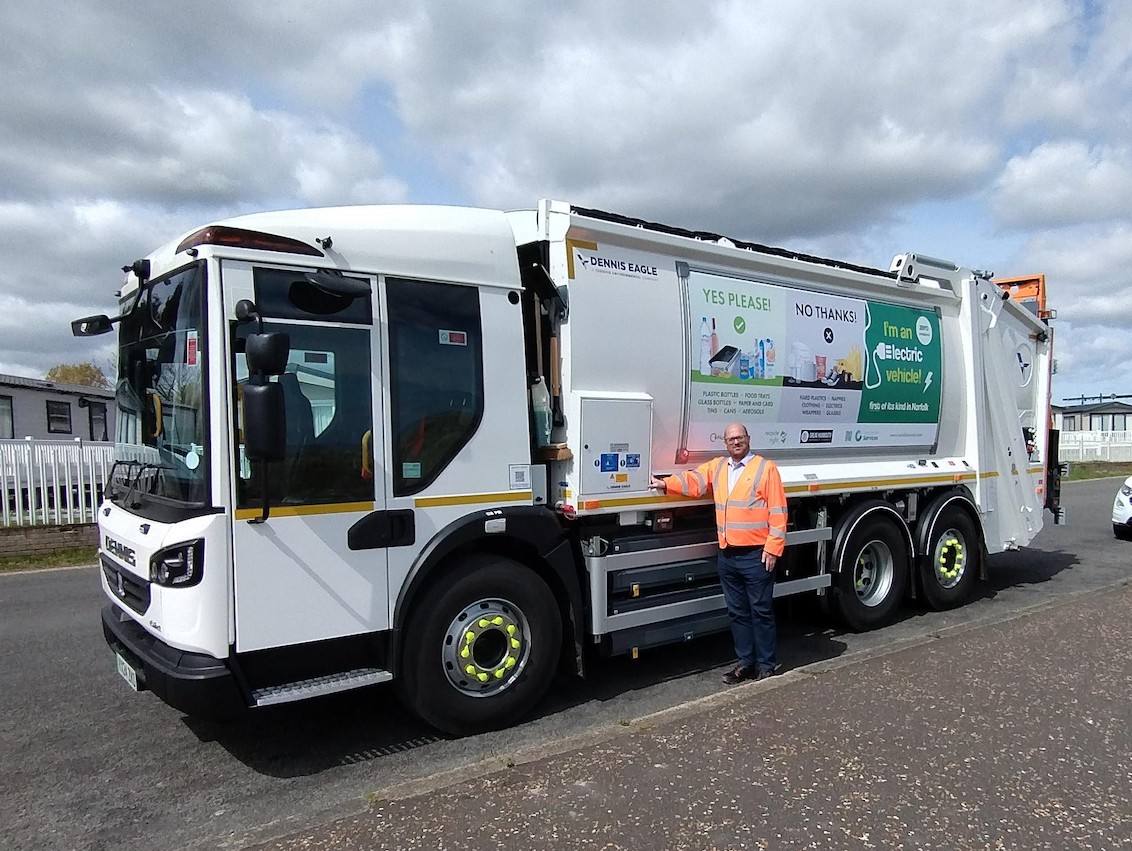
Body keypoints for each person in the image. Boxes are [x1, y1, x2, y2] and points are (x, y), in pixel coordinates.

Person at [650, 423, 787, 684]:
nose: (736, 442)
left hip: (756, 555)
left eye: (740, 437)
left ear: (748, 439)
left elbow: (778, 512)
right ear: (725, 443)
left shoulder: (765, 468)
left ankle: (766, 665)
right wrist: (665, 484)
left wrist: (772, 548)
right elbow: (694, 480)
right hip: (728, 555)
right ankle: (745, 663)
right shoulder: (719, 468)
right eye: (731, 439)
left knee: (761, 611)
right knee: (737, 613)